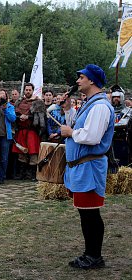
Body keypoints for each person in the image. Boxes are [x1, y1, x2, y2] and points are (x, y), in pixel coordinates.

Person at [61, 64, 115, 270]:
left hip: (90, 167)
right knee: (86, 212)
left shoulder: (100, 106)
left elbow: (91, 137)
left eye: (81, 77)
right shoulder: (90, 104)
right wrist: (67, 110)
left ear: (92, 80)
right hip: (83, 167)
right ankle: (90, 253)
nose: (77, 81)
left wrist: (70, 133)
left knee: (91, 213)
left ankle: (94, 256)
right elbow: (76, 127)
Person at [12, 83, 46, 180]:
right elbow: (14, 115)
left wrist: (28, 117)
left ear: (32, 90)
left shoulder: (38, 103)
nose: (27, 91)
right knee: (21, 153)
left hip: (32, 131)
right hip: (21, 131)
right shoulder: (19, 102)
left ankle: (32, 174)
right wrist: (19, 117)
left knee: (33, 153)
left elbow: (41, 118)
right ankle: (22, 174)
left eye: (29, 90)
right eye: (26, 90)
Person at [0, 89, 16, 184]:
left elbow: (13, 118)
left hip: (5, 136)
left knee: (4, 158)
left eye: (2, 95)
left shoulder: (9, 106)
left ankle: (2, 177)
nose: (0, 97)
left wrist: (5, 110)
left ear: (6, 96)